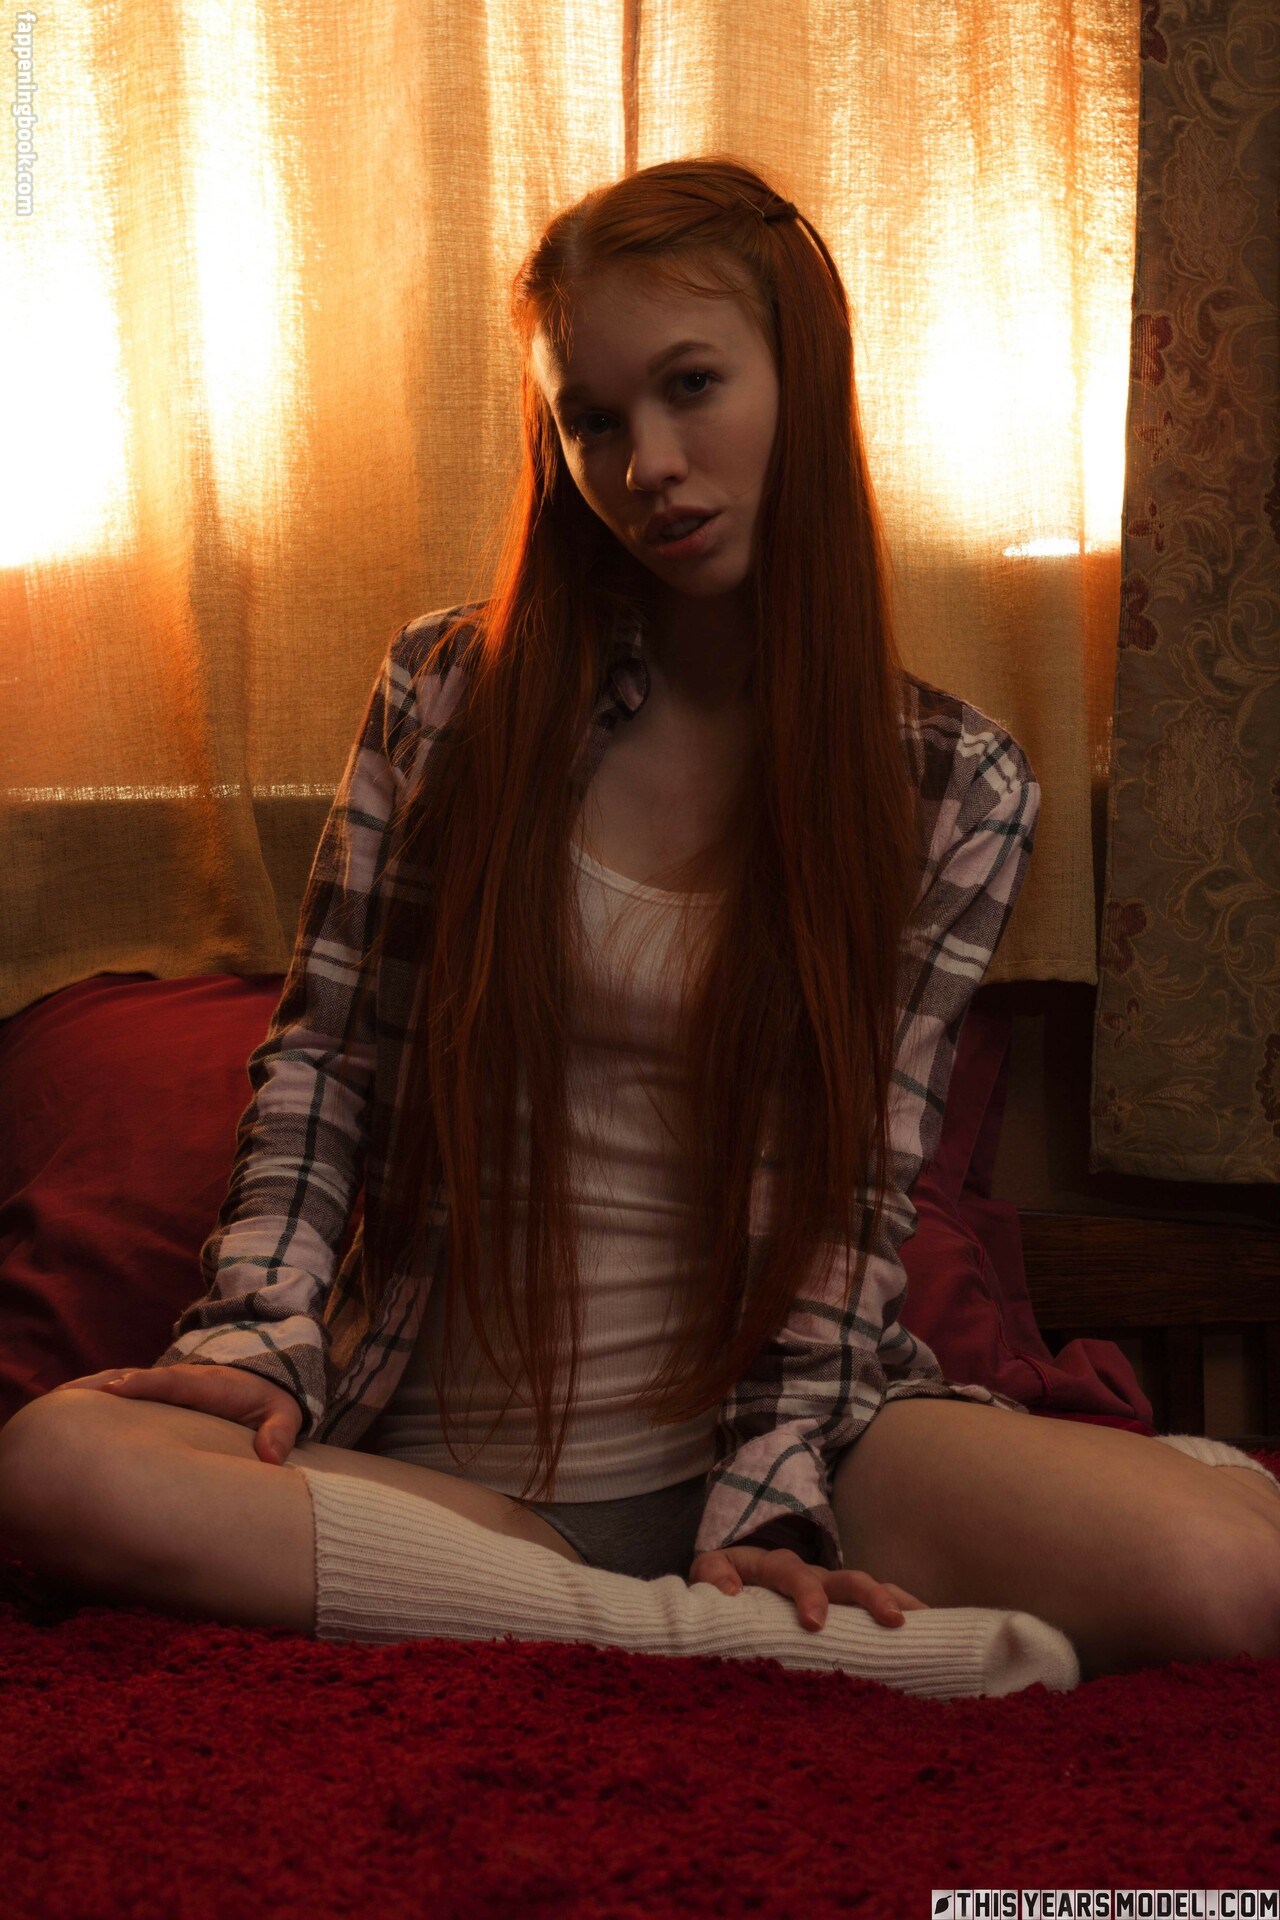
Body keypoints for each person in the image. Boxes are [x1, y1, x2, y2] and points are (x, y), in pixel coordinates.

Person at [1, 157, 1277, 1700]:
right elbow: (323, 1065)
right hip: (440, 1474)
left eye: (692, 388)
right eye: (594, 421)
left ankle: (685, 1602)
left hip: (793, 1450)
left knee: (1237, 1567)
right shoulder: (449, 695)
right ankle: (710, 1645)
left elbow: (856, 1197)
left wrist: (772, 1496)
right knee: (56, 1462)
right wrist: (248, 1340)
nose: (649, 465)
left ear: (800, 375)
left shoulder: (953, 784)